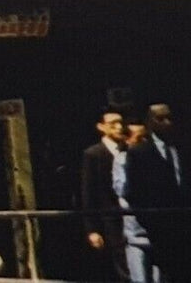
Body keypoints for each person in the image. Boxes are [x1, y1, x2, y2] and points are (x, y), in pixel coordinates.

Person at [122, 103, 191, 283]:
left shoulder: (189, 149)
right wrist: (152, 224)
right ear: (150, 123)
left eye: (169, 118)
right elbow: (133, 193)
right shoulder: (140, 154)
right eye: (160, 119)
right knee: (172, 275)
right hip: (165, 232)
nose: (167, 123)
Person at [82, 109, 131, 280]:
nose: (118, 127)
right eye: (113, 124)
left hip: (131, 217)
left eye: (121, 123)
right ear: (101, 127)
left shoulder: (129, 150)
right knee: (120, 264)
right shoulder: (93, 154)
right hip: (110, 219)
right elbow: (88, 191)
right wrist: (92, 229)